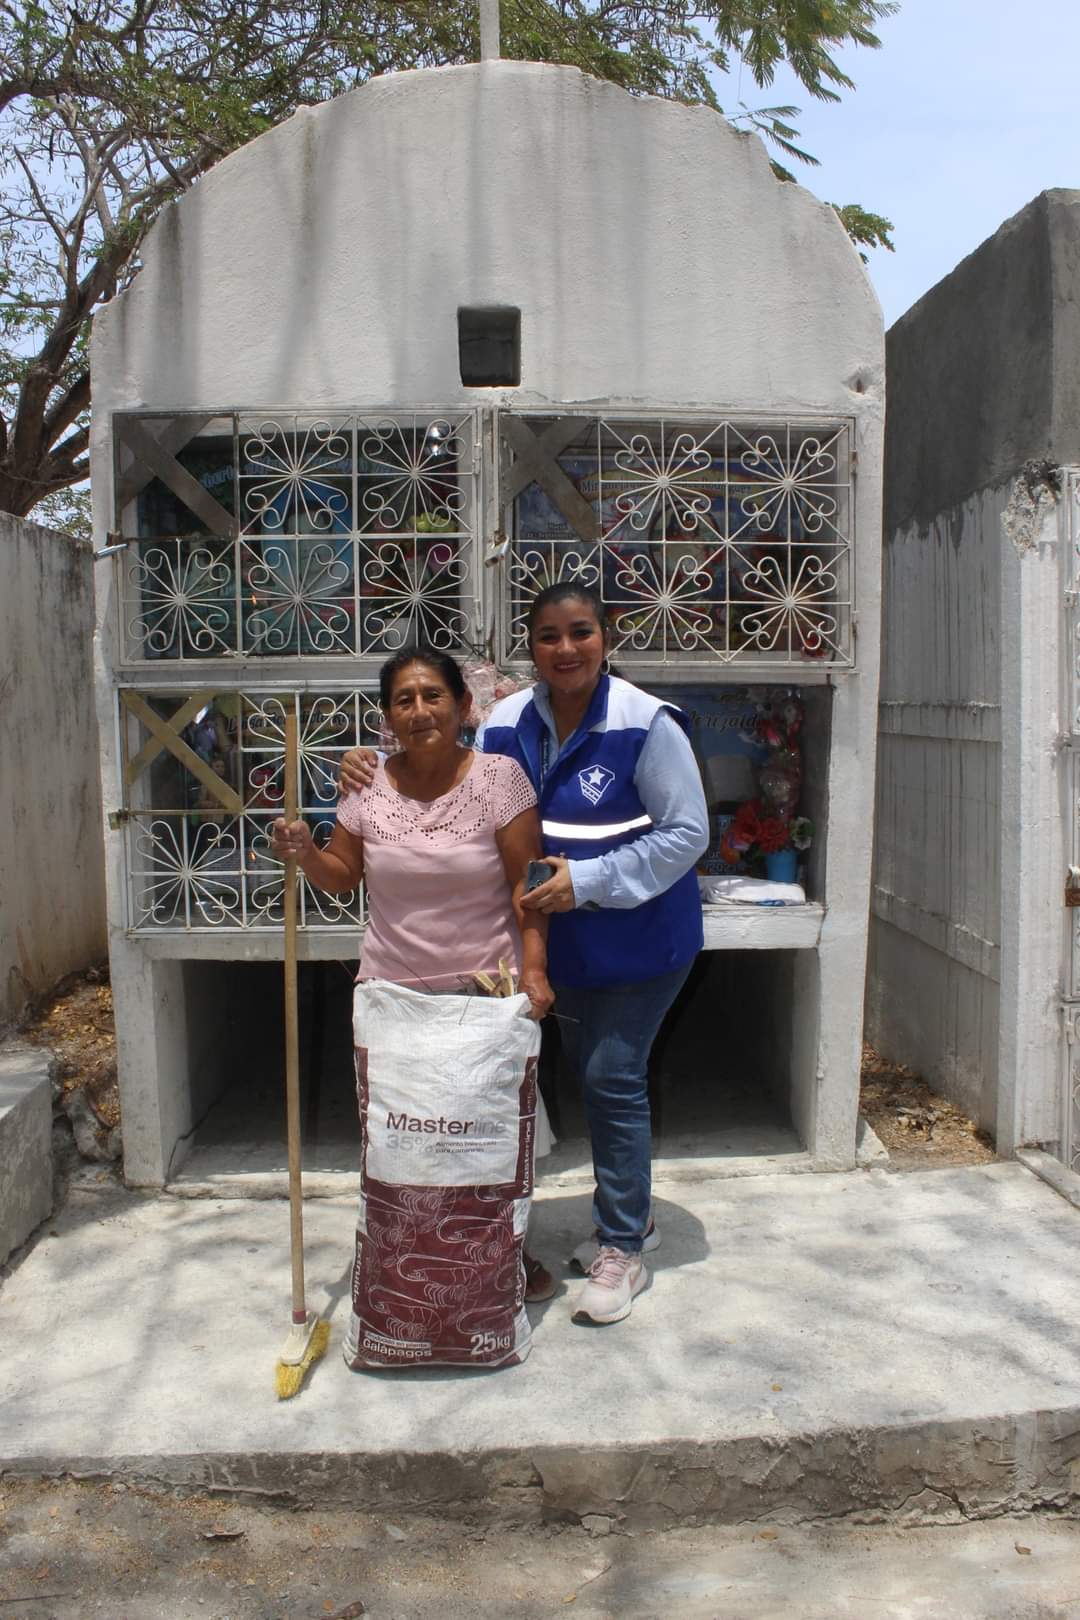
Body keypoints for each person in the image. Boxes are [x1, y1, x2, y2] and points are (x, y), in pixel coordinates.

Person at [340, 586, 709, 1326]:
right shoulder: (508, 722)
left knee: (611, 1078)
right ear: (531, 648)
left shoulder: (645, 723)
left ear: (605, 639)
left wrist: (590, 879)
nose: (565, 649)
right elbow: (443, 768)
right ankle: (628, 1212)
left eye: (581, 632)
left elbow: (686, 833)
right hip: (552, 943)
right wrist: (366, 762)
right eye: (548, 636)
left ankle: (622, 1244)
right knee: (577, 1079)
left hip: (638, 940)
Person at [270, 646, 557, 1305]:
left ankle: (504, 1252)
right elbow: (343, 877)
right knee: (406, 1140)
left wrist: (536, 968)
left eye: (433, 696)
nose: (420, 710)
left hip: (484, 994)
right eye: (404, 700)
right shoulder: (364, 784)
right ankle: (410, 1260)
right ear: (388, 716)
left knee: (483, 1137)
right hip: (393, 996)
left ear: (463, 706)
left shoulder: (501, 779)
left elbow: (530, 883)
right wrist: (305, 852)